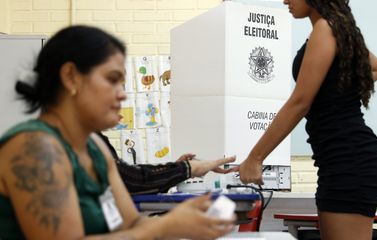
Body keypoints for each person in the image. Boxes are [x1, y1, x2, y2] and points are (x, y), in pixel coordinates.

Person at [0, 25, 235, 240]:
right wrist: (164, 227)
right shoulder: (36, 147)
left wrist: (184, 221)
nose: (122, 94)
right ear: (71, 76)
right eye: (112, 80)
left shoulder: (94, 146)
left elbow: (131, 223)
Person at [239, 0, 377, 239]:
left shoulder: (326, 28)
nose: (285, 0)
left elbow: (299, 102)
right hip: (337, 160)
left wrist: (255, 158)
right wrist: (339, 85)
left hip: (350, 160)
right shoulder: (337, 29)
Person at [97, 132, 238, 195]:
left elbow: (130, 175)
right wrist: (186, 168)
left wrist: (176, 169)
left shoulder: (97, 139)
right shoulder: (88, 144)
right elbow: (131, 180)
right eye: (112, 79)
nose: (121, 95)